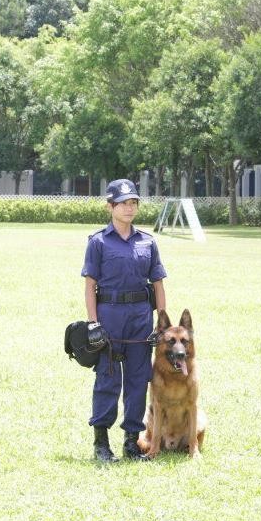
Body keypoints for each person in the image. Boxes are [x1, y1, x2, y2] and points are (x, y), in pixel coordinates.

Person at [81, 179, 166, 462]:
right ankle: (101, 443)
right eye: (123, 203)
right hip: (109, 317)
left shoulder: (148, 241)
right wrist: (93, 324)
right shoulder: (98, 242)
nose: (130, 208)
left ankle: (132, 442)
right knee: (107, 380)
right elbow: (90, 285)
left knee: (137, 380)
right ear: (110, 206)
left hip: (141, 319)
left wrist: (161, 326)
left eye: (133, 203)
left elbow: (158, 284)